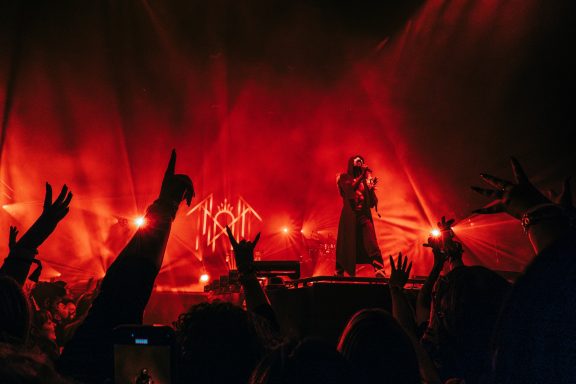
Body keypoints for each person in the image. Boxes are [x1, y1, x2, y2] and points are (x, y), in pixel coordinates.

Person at [335, 155, 385, 277]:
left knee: (371, 241)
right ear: (351, 163)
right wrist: (363, 176)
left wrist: (371, 189)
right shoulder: (344, 177)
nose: (360, 163)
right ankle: (339, 271)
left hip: (363, 216)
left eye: (362, 161)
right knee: (346, 244)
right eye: (358, 161)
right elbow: (349, 190)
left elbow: (372, 203)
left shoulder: (365, 181)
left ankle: (379, 268)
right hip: (349, 217)